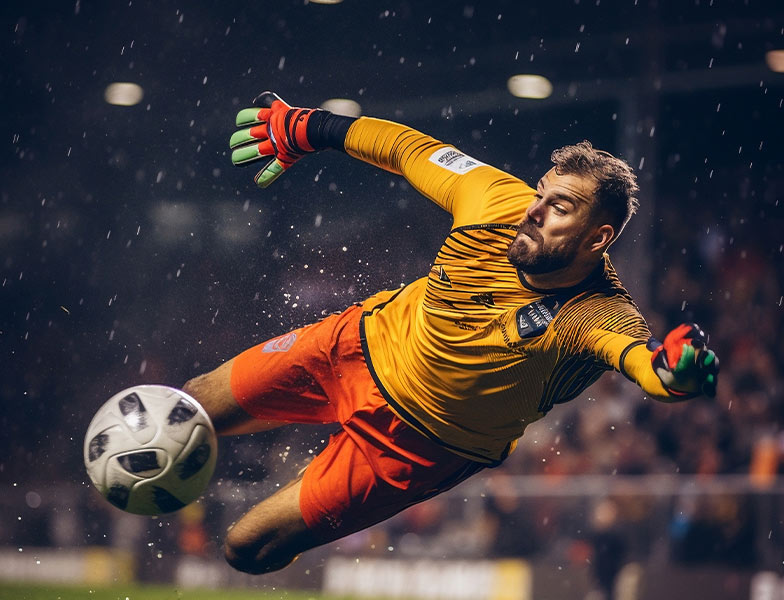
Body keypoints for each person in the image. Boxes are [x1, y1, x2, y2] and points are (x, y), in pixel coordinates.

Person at [181, 92, 719, 575]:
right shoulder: (493, 199)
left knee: (246, 548)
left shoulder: (597, 313)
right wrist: (307, 127)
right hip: (358, 346)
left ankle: (318, 487)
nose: (533, 212)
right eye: (540, 193)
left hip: (418, 444)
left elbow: (643, 362)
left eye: (560, 207)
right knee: (191, 405)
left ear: (598, 239)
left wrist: (675, 377)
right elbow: (406, 148)